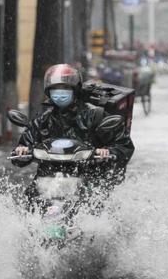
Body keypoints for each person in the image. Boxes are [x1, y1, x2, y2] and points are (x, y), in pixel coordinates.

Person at [11, 64, 134, 200]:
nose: (60, 93)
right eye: (55, 89)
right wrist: (21, 151)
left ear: (75, 90)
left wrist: (107, 153)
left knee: (95, 203)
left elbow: (123, 146)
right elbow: (23, 150)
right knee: (29, 200)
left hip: (88, 178)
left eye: (64, 88)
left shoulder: (95, 115)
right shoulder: (43, 120)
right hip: (48, 179)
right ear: (48, 92)